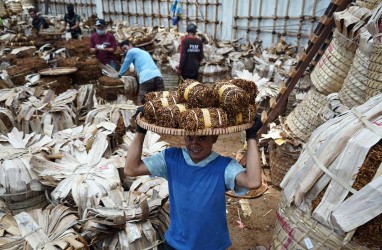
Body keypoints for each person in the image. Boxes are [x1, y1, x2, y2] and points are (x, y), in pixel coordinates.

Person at [124, 113, 263, 250]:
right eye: (189, 137)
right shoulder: (171, 158)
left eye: (202, 138)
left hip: (212, 245)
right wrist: (140, 131)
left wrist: (251, 137)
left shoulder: (224, 166)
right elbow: (131, 169)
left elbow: (253, 182)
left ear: (214, 137)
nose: (194, 143)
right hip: (175, 243)